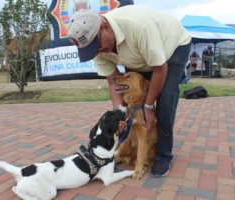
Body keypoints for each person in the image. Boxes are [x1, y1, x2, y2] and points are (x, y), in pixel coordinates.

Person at [67, 5, 191, 177]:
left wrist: (148, 107)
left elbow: (159, 69)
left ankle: (164, 155)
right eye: (92, 49)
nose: (98, 52)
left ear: (105, 27)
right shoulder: (97, 47)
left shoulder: (138, 26)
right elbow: (114, 83)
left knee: (165, 100)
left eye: (98, 45)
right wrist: (120, 115)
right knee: (132, 101)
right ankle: (127, 149)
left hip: (173, 46)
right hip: (141, 56)